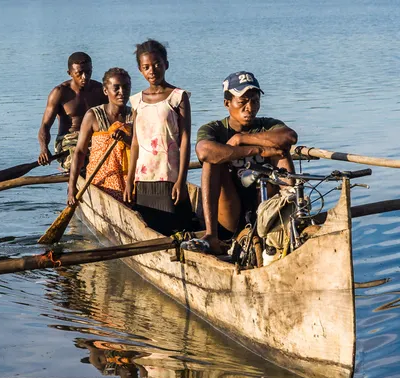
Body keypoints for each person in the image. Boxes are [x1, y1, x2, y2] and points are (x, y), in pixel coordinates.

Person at [195, 71, 298, 254]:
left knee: (281, 151)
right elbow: (204, 151)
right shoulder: (215, 129)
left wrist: (242, 139)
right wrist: (256, 149)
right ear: (227, 103)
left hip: (266, 204)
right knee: (212, 161)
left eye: (255, 101)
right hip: (229, 210)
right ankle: (211, 234)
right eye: (242, 102)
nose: (249, 107)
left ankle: (293, 219)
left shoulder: (267, 124)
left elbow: (289, 136)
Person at [123, 39, 194, 236]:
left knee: (178, 227)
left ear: (166, 65)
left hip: (169, 174)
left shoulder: (178, 97)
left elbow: (185, 139)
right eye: (146, 67)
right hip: (144, 176)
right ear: (140, 70)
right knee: (152, 228)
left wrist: (181, 180)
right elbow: (136, 142)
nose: (152, 71)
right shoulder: (137, 100)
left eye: (157, 65)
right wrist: (130, 180)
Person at [67, 68, 133, 205]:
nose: (122, 92)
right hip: (101, 180)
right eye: (116, 88)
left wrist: (126, 138)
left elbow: (141, 148)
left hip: (129, 179)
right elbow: (79, 151)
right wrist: (72, 186)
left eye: (126, 87)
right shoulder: (93, 116)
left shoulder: (134, 115)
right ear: (105, 91)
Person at [37, 52, 107, 170]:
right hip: (69, 141)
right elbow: (45, 126)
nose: (84, 77)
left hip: (94, 138)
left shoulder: (100, 90)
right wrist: (44, 149)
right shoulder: (60, 92)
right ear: (70, 73)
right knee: (78, 159)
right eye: (79, 73)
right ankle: (73, 183)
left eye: (88, 72)